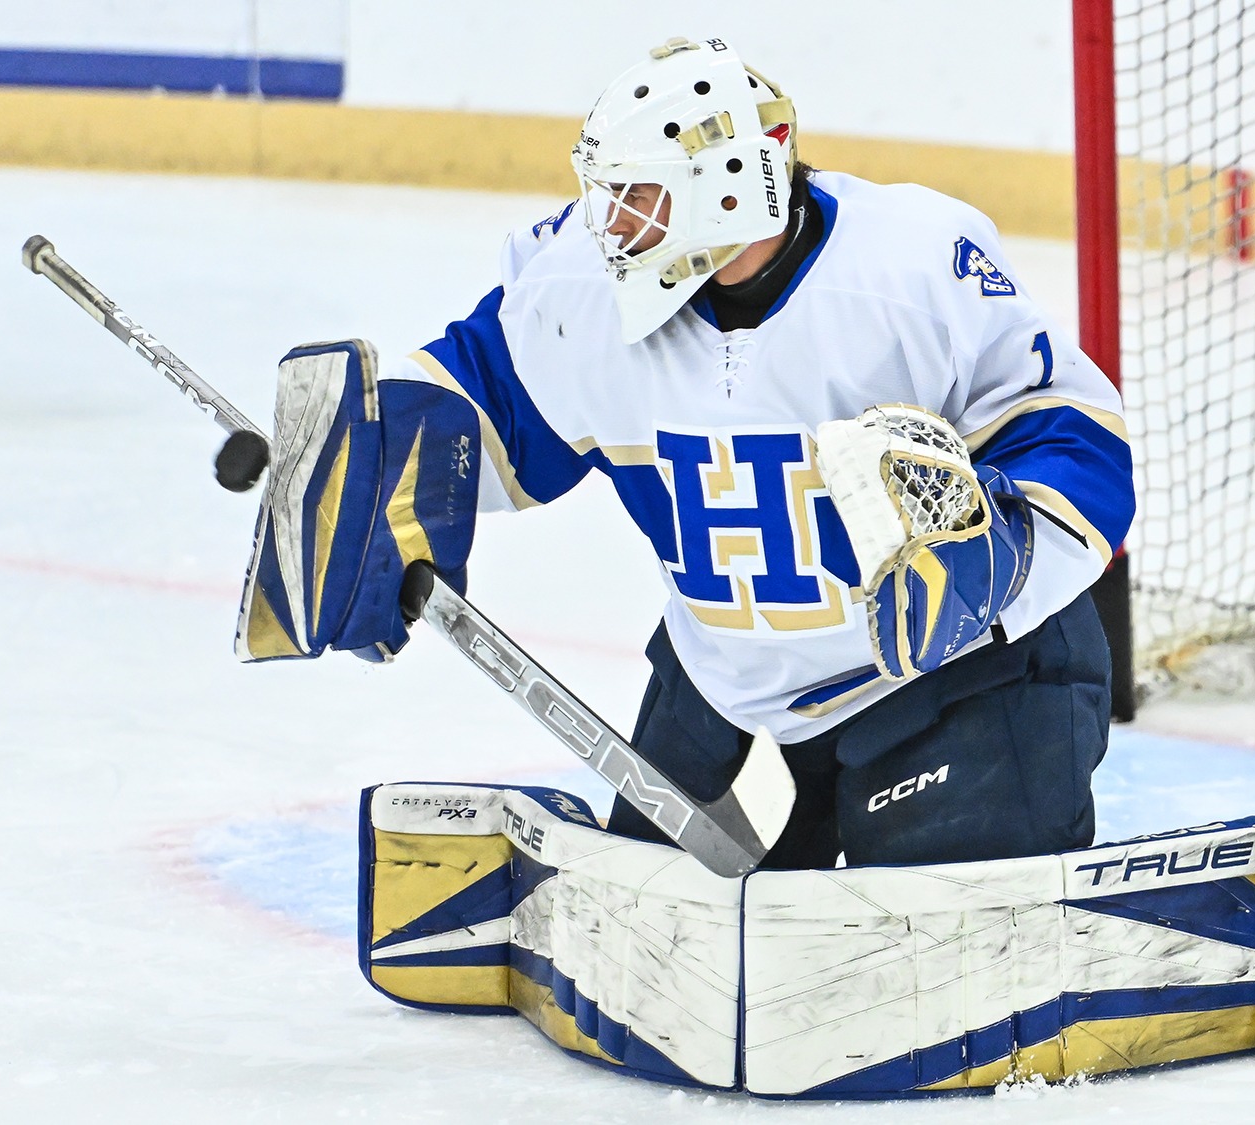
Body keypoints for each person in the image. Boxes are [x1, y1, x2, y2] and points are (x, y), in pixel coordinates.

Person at [236, 37, 1134, 870]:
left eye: (642, 195)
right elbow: (486, 407)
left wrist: (999, 548)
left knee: (940, 944)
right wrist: (374, 476)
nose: (612, 224)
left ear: (732, 184)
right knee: (659, 934)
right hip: (728, 690)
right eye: (610, 193)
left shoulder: (908, 271)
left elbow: (1077, 438)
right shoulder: (584, 291)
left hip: (958, 679)